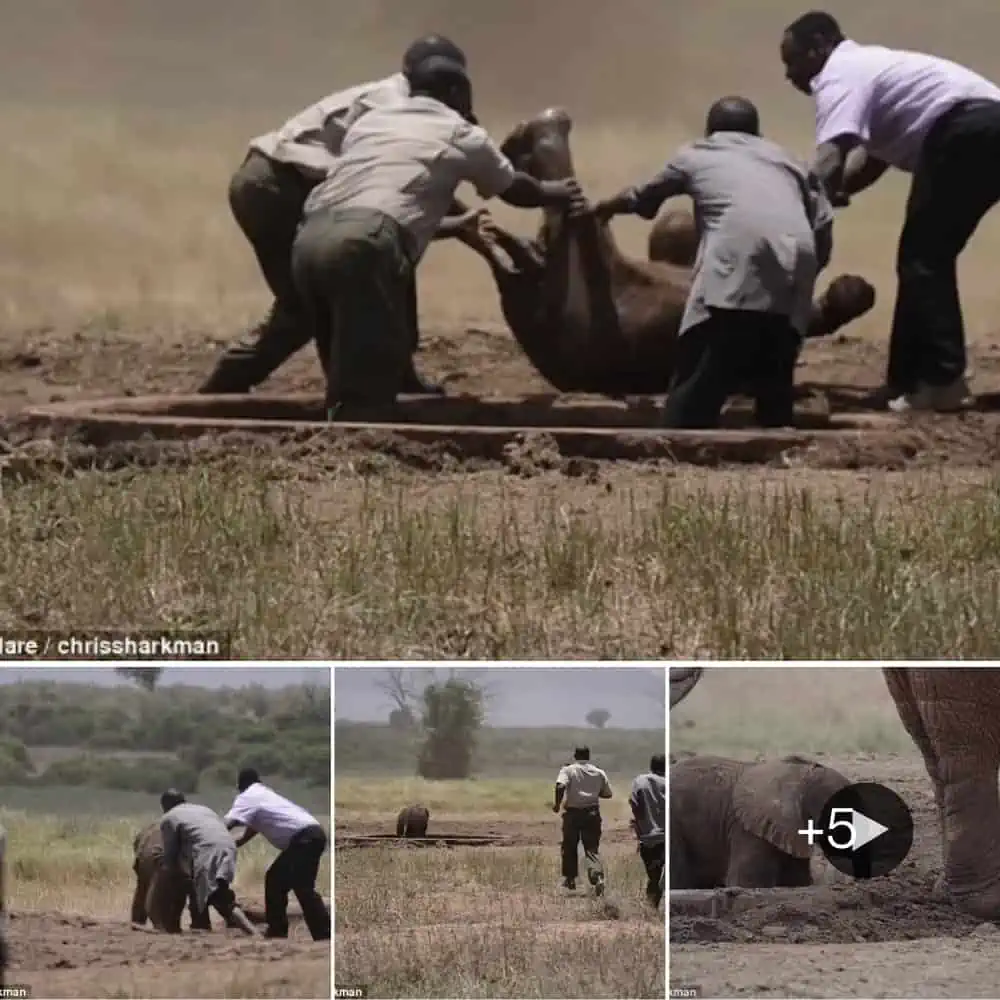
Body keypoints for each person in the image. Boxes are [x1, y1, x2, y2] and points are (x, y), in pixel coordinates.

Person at [291, 54, 586, 420]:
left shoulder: (374, 120)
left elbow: (373, 195)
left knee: (339, 360)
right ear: (454, 91)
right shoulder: (460, 132)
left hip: (307, 240)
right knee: (373, 362)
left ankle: (332, 436)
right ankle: (358, 451)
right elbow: (513, 189)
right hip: (363, 246)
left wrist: (454, 225)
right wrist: (554, 191)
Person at [199, 34, 470, 398]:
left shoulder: (403, 102)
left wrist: (467, 225)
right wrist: (468, 229)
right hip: (279, 184)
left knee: (385, 259)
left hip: (279, 179)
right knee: (313, 298)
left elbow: (407, 186)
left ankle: (397, 377)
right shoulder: (396, 106)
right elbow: (394, 184)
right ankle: (226, 386)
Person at [781, 12, 1000, 413]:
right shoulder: (870, 69)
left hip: (966, 130)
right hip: (984, 130)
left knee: (923, 258)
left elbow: (831, 156)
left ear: (818, 48)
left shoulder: (839, 73)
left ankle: (942, 380)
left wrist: (801, 208)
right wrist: (836, 192)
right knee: (921, 257)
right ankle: (907, 380)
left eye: (792, 61)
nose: (789, 74)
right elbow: (869, 162)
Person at [593, 96, 833, 429]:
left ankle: (680, 443)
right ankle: (774, 444)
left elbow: (644, 200)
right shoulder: (789, 159)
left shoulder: (698, 153)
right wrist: (806, 274)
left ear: (710, 130)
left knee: (703, 365)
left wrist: (604, 209)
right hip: (798, 254)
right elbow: (823, 223)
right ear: (756, 132)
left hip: (737, 255)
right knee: (774, 371)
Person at [224, 767, 331, 941]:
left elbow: (229, 822)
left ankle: (277, 931)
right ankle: (323, 933)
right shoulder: (265, 795)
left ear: (240, 785)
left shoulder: (248, 796)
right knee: (303, 888)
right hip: (315, 834)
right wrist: (234, 844)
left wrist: (215, 837)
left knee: (275, 880)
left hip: (303, 840)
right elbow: (251, 830)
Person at [159, 790, 255, 935]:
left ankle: (253, 932)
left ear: (165, 805)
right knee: (202, 887)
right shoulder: (203, 809)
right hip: (228, 846)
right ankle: (200, 925)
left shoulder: (169, 817)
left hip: (208, 851)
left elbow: (170, 854)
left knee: (220, 898)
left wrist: (166, 875)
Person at [131, 799, 208, 931]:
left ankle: (141, 923)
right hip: (170, 863)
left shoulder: (152, 829)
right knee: (186, 890)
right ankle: (193, 923)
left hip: (152, 860)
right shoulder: (191, 826)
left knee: (145, 891)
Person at [553, 746, 613, 895]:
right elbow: (607, 794)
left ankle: (570, 879)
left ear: (575, 756)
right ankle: (597, 878)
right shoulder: (599, 772)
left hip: (573, 814)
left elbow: (560, 785)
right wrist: (591, 792)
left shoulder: (568, 770)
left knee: (569, 847)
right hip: (592, 814)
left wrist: (557, 804)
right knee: (592, 849)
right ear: (589, 756)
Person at [629, 754, 666, 910]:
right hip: (667, 837)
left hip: (647, 838)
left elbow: (634, 803)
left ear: (651, 766)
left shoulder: (640, 781)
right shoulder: (670, 783)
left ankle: (652, 909)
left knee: (653, 876)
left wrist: (640, 825)